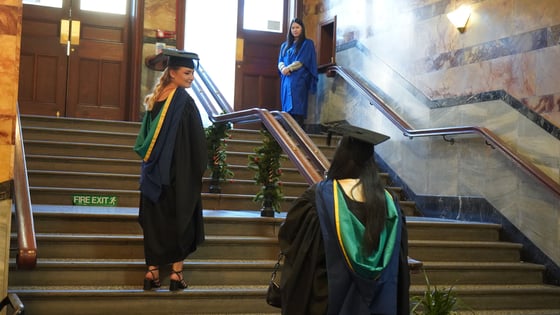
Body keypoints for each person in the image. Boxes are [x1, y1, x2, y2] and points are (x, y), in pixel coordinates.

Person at [277, 123, 410, 314]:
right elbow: (399, 262)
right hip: (379, 302)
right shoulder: (389, 202)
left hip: (328, 302)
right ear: (371, 161)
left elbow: (292, 242)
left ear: (340, 156)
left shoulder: (318, 198)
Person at [133, 48, 208, 291]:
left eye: (193, 73)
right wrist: (198, 169)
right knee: (181, 219)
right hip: (178, 175)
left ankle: (152, 272)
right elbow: (197, 142)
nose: (192, 77)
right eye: (187, 72)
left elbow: (146, 140)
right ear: (173, 73)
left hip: (153, 174)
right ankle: (176, 275)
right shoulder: (184, 102)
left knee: (155, 221)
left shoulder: (155, 99)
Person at [278, 18, 318, 128]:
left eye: (297, 27)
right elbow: (280, 60)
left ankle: (298, 134)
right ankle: (287, 133)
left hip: (299, 79)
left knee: (297, 105)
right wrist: (283, 68)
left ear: (302, 29)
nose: (295, 30)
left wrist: (289, 68)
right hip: (286, 79)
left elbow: (302, 60)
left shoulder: (307, 43)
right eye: (293, 28)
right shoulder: (284, 46)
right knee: (287, 107)